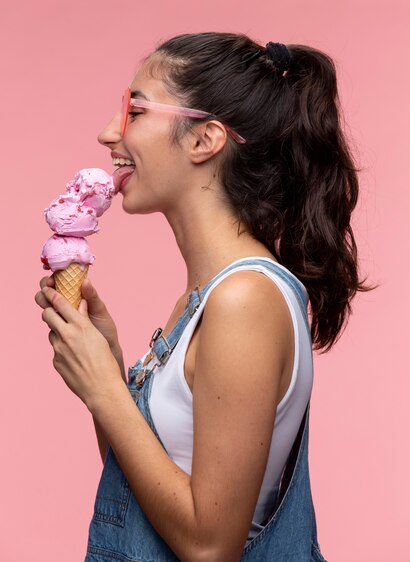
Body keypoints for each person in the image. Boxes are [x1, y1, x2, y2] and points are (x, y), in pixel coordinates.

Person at [36, 32, 370, 561]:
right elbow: (142, 497)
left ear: (204, 139)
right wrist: (108, 360)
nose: (108, 133)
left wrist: (105, 389)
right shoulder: (206, 296)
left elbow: (210, 546)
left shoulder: (245, 299)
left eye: (135, 110)